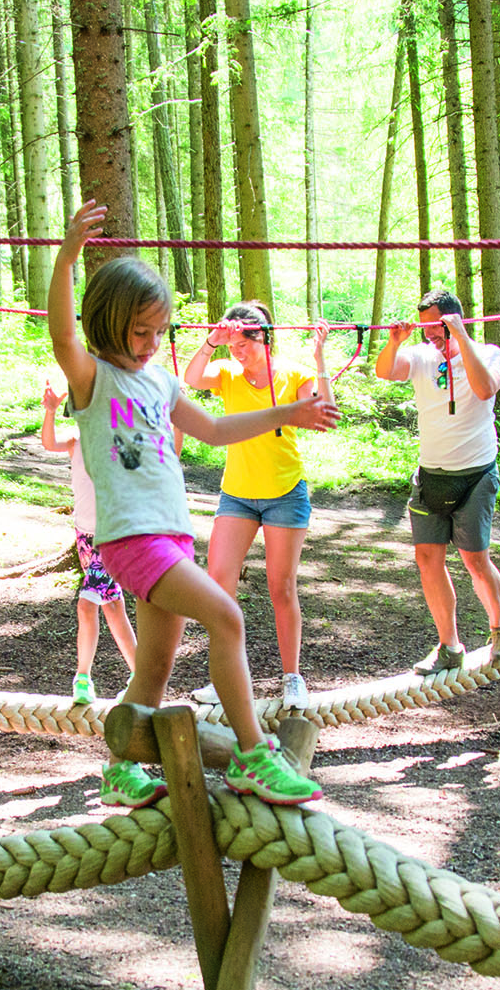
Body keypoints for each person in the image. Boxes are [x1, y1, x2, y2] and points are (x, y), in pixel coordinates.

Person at [48, 201, 339, 808]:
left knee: (153, 666)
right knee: (226, 616)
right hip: (132, 539)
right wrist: (69, 254)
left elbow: (215, 429)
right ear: (106, 322)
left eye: (160, 332)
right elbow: (61, 332)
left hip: (174, 535)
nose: (152, 345)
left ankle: (119, 771)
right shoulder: (92, 377)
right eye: (139, 332)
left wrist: (289, 413)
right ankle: (255, 757)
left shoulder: (160, 381)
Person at [179, 300, 326, 709]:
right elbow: (191, 378)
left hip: (285, 492)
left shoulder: (294, 372)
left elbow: (317, 408)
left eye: (244, 344)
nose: (238, 354)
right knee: (218, 580)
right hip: (237, 495)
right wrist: (212, 341)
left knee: (281, 587)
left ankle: (292, 677)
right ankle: (226, 676)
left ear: (263, 337)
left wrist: (321, 360)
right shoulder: (226, 373)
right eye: (234, 347)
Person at [371, 288, 500, 675]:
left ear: (454, 319)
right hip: (432, 474)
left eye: (438, 329)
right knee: (427, 558)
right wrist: (395, 340)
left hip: (476, 474)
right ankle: (449, 645)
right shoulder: (420, 356)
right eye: (427, 331)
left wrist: (460, 337)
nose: (432, 337)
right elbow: (385, 371)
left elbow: (485, 390)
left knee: (475, 559)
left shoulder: (487, 353)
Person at [40, 380, 139, 704]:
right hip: (85, 535)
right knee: (112, 607)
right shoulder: (76, 439)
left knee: (87, 604)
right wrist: (51, 411)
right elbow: (49, 442)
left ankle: (82, 678)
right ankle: (142, 676)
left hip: (113, 537)